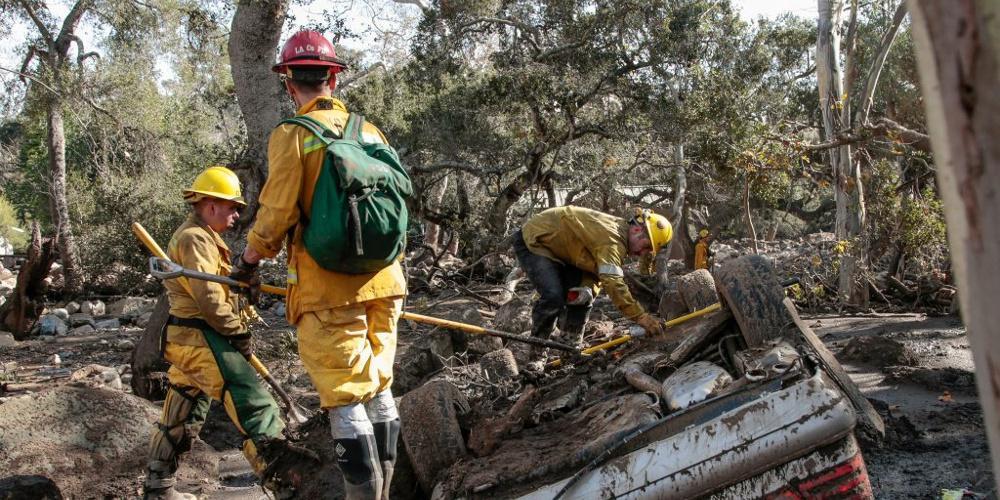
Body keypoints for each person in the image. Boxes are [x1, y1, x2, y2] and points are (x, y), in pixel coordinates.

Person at [229, 31, 406, 500]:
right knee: (380, 388)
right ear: (333, 78)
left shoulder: (293, 135)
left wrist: (247, 261)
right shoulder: (370, 131)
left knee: (346, 398)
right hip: (386, 283)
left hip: (328, 289)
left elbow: (277, 214)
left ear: (290, 83)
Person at [143, 166, 312, 500]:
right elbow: (207, 297)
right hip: (201, 337)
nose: (237, 214)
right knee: (253, 402)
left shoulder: (203, 237)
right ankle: (287, 486)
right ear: (210, 205)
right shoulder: (194, 238)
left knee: (182, 410)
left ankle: (158, 487)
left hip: (187, 339)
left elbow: (216, 286)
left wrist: (240, 282)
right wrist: (237, 333)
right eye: (232, 207)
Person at [512, 206, 673, 350]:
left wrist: (587, 290)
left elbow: (595, 270)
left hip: (564, 252)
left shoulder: (618, 238)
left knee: (583, 294)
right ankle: (537, 352)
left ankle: (569, 346)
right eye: (646, 246)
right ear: (637, 230)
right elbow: (613, 282)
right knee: (553, 296)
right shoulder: (612, 239)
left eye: (648, 251)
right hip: (535, 239)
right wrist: (639, 316)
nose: (643, 253)